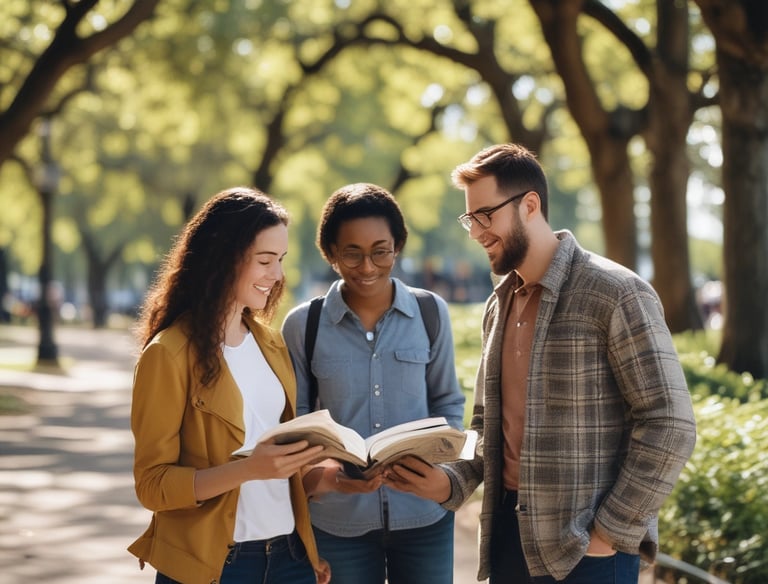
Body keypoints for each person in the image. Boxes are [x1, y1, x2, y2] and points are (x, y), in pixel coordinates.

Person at [384, 143, 697, 584]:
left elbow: (671, 422)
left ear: (530, 205)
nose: (476, 233)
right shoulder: (499, 304)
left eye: (485, 216)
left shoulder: (616, 292)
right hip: (509, 542)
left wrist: (609, 533)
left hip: (588, 554)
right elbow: (487, 423)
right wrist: (449, 482)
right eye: (470, 219)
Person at [128, 187, 331, 584]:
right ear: (223, 259)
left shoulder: (271, 343)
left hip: (290, 557)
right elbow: (152, 486)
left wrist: (326, 480)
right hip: (218, 566)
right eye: (265, 260)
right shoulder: (167, 354)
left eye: (281, 261)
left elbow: (274, 467)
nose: (277, 276)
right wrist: (247, 469)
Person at [281, 182, 466, 584]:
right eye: (352, 253)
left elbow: (449, 402)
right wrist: (332, 477)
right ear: (330, 253)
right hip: (336, 523)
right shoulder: (303, 326)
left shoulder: (430, 313)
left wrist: (443, 471)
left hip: (424, 518)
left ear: (397, 246)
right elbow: (296, 421)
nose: (368, 267)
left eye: (380, 251)